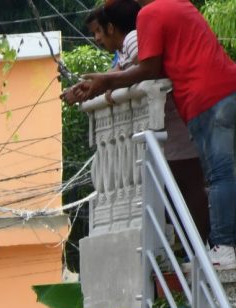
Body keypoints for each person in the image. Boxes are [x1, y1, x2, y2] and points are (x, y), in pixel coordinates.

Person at [66, 0, 236, 273]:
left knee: (219, 175)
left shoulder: (149, 13)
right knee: (223, 175)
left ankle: (224, 248)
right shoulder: (182, 5)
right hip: (226, 88)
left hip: (204, 98)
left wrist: (106, 81)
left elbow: (149, 69)